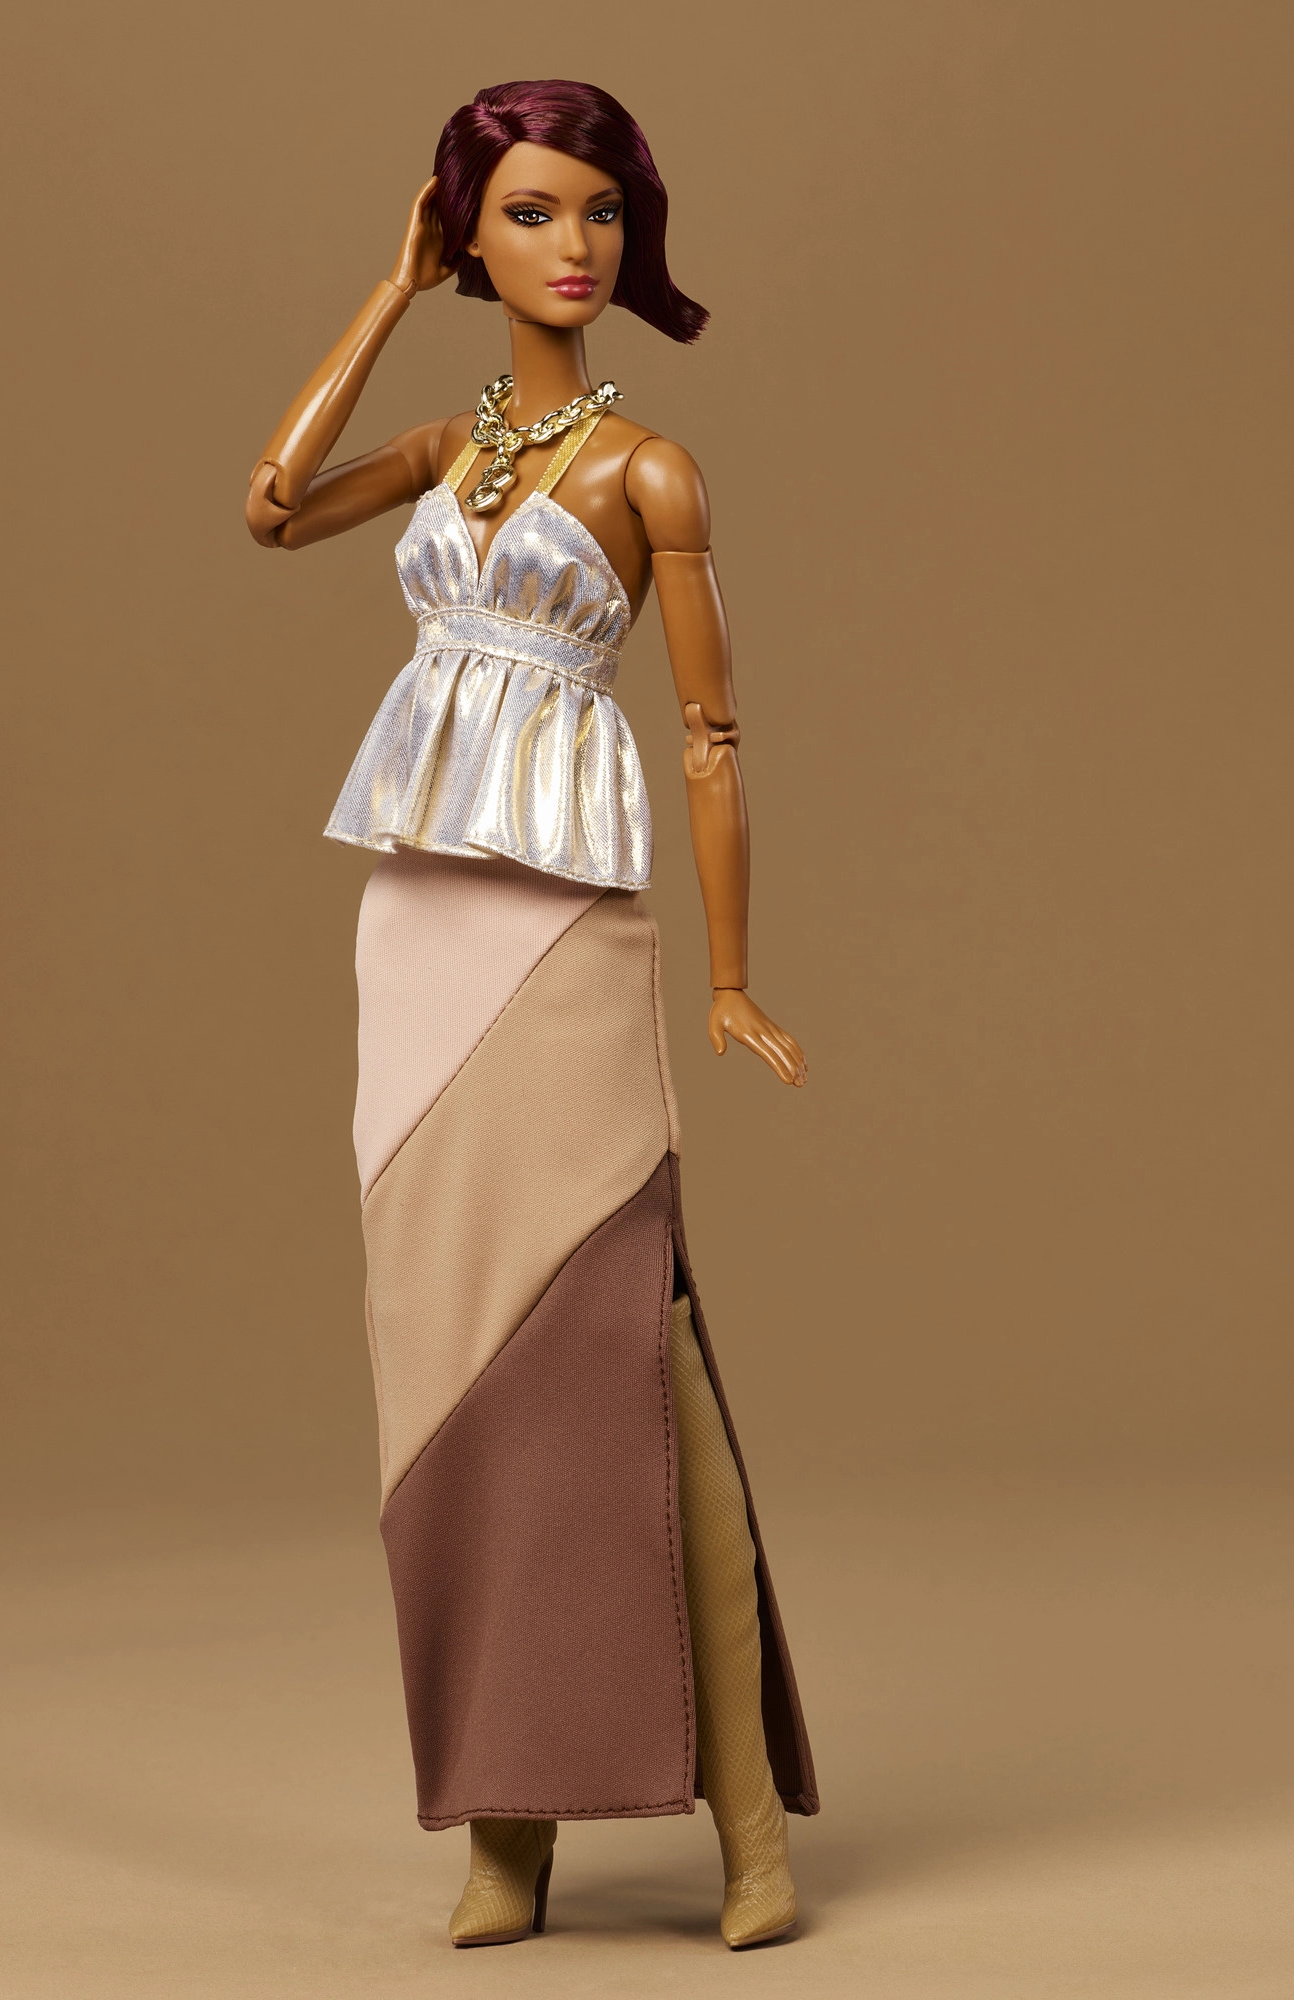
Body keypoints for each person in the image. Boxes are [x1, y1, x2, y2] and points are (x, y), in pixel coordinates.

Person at [246, 78, 818, 1950]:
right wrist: (385, 292)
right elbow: (270, 509)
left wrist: (727, 976)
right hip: (417, 927)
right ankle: (507, 1825)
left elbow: (712, 736)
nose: (575, 245)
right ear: (468, 232)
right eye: (530, 212)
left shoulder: (652, 473)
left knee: (635, 1363)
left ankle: (749, 1825)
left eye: (601, 213)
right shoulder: (444, 447)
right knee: (447, 1375)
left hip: (567, 933)